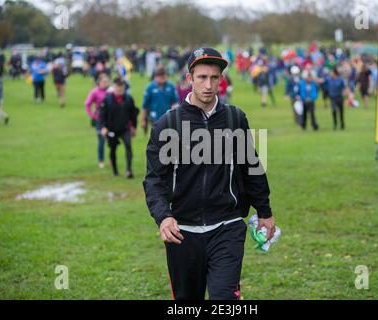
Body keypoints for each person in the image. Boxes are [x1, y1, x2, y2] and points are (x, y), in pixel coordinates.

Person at [143, 47, 276, 300]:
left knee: (224, 298)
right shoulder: (167, 125)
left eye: (214, 78)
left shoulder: (235, 118)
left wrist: (265, 212)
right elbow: (154, 180)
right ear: (189, 78)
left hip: (226, 226)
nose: (208, 84)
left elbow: (252, 167)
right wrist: (163, 217)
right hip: (182, 232)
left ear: (221, 80)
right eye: (202, 77)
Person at [99, 77, 139, 178]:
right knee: (113, 149)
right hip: (111, 129)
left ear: (124, 87)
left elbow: (133, 114)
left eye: (121, 87)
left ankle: (129, 170)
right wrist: (103, 127)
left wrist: (134, 127)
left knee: (128, 145)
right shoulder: (107, 100)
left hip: (125, 128)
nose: (119, 90)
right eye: (117, 87)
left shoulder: (129, 99)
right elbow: (102, 115)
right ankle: (115, 171)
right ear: (114, 87)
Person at [141, 66, 178, 133]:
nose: (163, 79)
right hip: (154, 118)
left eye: (164, 77)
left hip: (168, 117)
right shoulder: (150, 87)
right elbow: (144, 106)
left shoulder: (171, 86)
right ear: (156, 77)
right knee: (158, 136)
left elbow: (176, 102)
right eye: (161, 77)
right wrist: (143, 120)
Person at [85, 73, 110, 168]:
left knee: (112, 141)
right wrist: (93, 116)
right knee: (101, 140)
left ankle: (112, 159)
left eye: (107, 81)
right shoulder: (95, 92)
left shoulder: (111, 91)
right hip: (100, 120)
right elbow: (87, 104)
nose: (106, 83)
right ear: (99, 82)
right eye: (104, 82)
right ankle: (101, 161)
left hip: (111, 120)